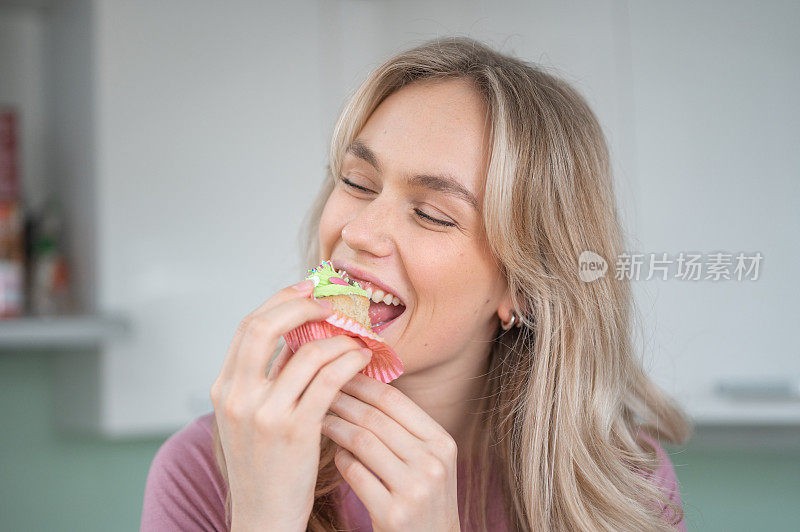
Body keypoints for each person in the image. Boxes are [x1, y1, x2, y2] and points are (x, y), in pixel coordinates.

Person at [142, 36, 690, 531]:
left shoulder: (622, 486)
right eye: (357, 182)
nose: (358, 231)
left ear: (523, 287)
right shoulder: (204, 469)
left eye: (431, 213)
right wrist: (264, 518)